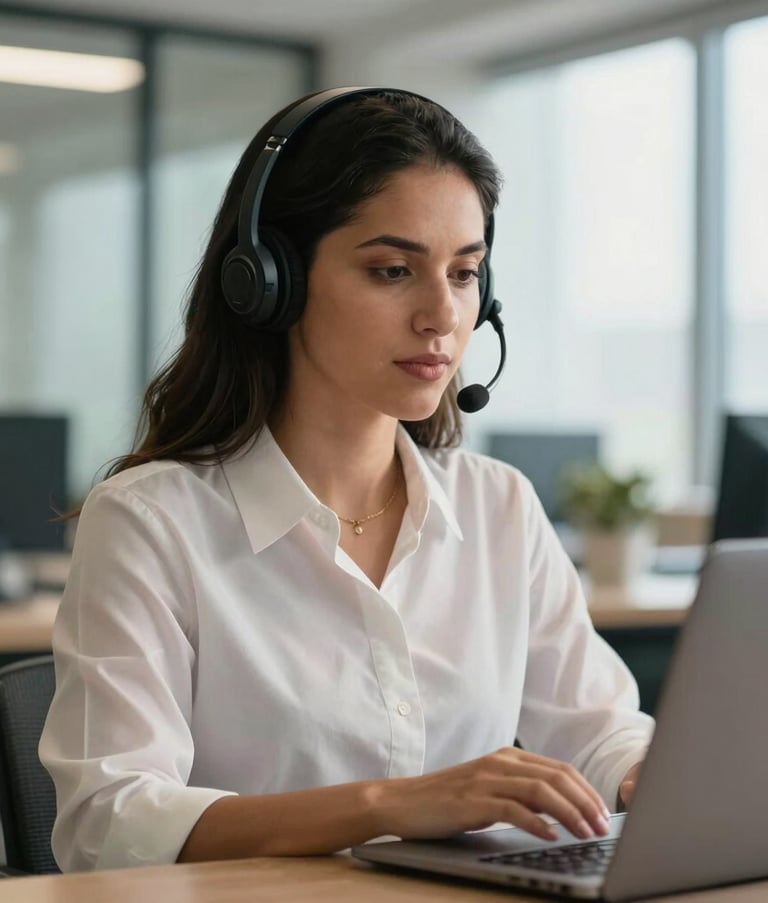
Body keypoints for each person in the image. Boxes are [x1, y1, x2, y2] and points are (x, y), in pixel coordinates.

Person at [40, 87, 652, 872]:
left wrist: (647, 772)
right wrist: (387, 804)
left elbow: (601, 725)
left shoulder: (497, 504)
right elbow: (106, 821)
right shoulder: (151, 521)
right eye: (393, 269)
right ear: (270, 280)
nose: (441, 315)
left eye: (465, 275)